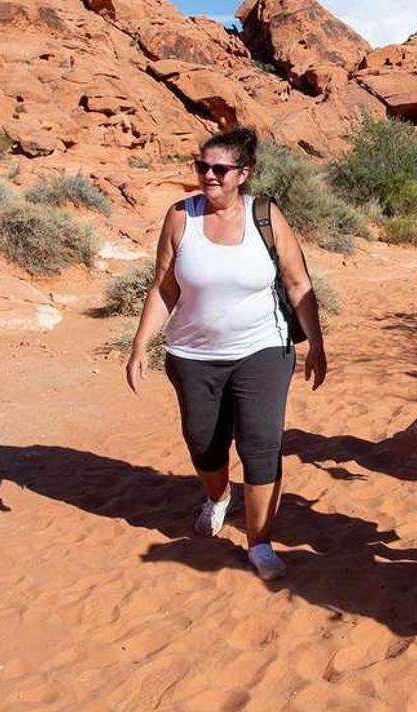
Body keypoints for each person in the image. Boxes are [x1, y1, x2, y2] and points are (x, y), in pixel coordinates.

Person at [127, 127, 328, 581]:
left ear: (243, 173)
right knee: (204, 442)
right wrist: (140, 344)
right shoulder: (181, 216)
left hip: (263, 349)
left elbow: (298, 283)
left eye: (220, 169)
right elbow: (165, 286)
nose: (209, 176)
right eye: (202, 167)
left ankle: (260, 543)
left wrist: (316, 342)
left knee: (261, 445)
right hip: (192, 354)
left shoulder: (265, 215)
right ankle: (219, 497)